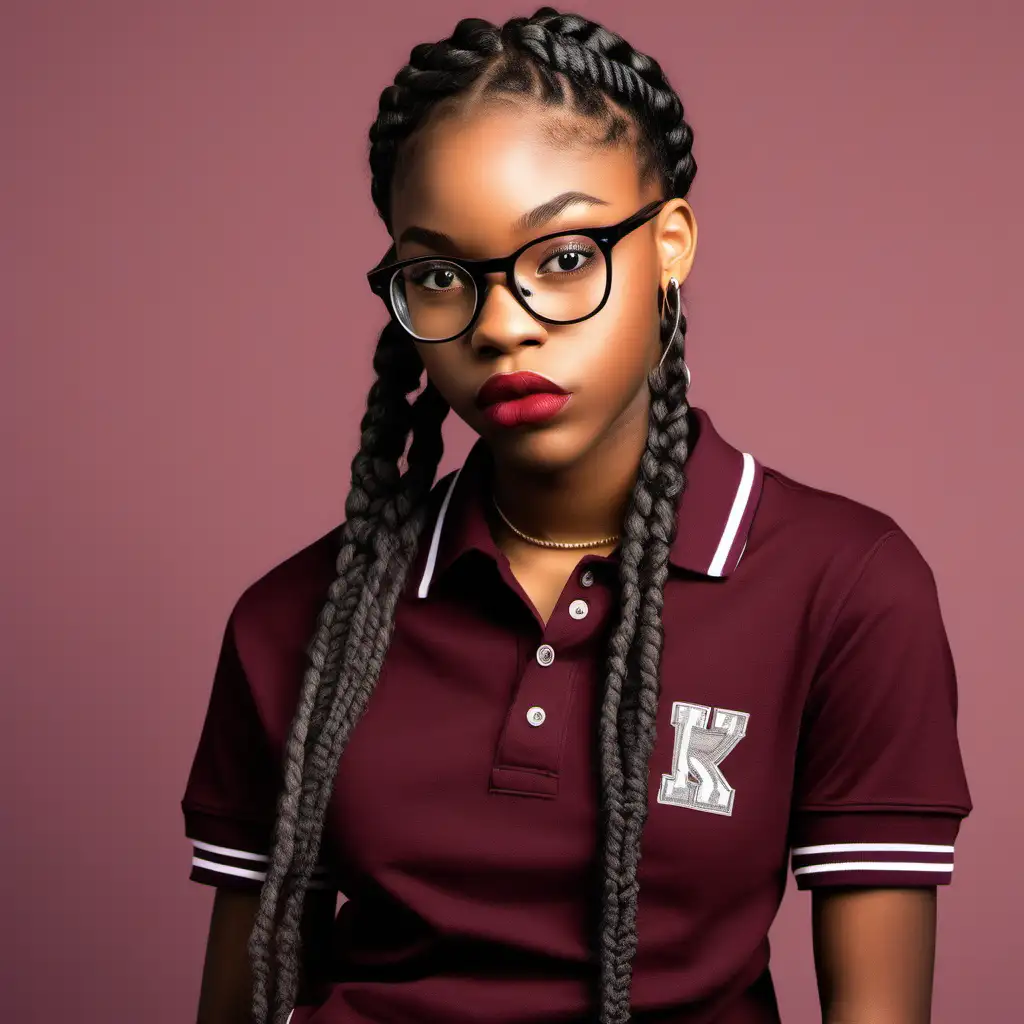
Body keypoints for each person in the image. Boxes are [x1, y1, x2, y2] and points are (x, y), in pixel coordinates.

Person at [182, 9, 972, 1024]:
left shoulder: (846, 586)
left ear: (670, 244)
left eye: (560, 257)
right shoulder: (297, 620)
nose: (501, 322)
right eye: (438, 274)